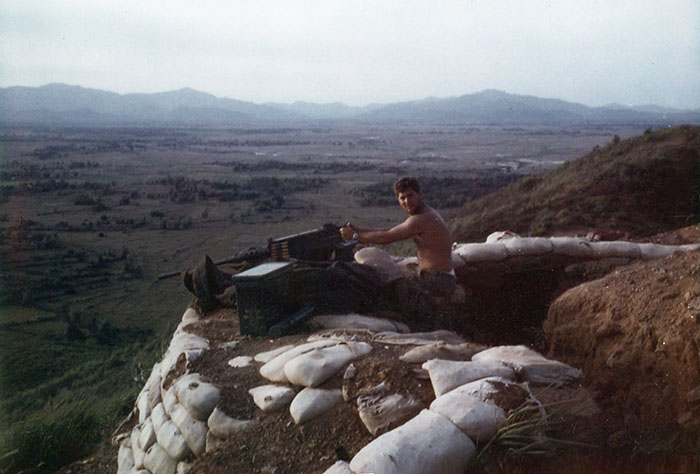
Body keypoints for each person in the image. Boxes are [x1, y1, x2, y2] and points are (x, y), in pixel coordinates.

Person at [340, 177, 457, 301]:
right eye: (402, 198)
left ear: (419, 195)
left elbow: (387, 237)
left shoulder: (421, 219)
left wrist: (355, 236)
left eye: (410, 196)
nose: (407, 201)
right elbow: (389, 231)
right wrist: (359, 230)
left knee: (384, 291)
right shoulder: (425, 214)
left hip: (437, 280)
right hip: (441, 277)